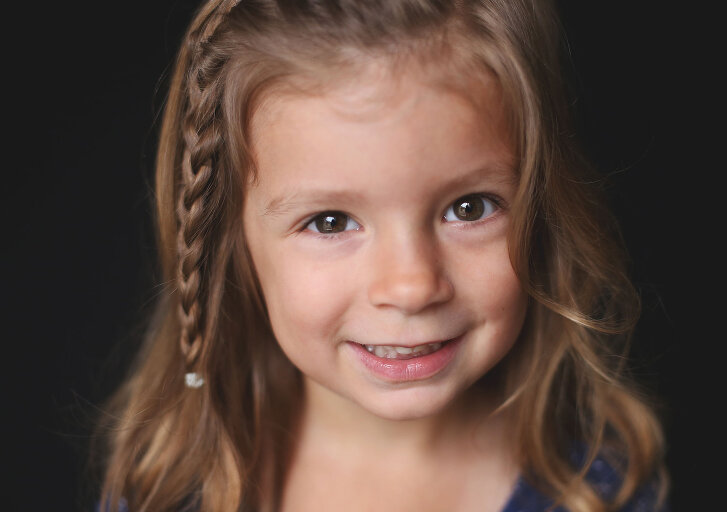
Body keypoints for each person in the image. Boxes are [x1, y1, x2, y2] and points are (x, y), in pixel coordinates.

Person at [96, 0, 668, 510]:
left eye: (469, 208)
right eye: (330, 222)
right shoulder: (170, 491)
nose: (411, 286)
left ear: (544, 206)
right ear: (233, 242)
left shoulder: (597, 493)